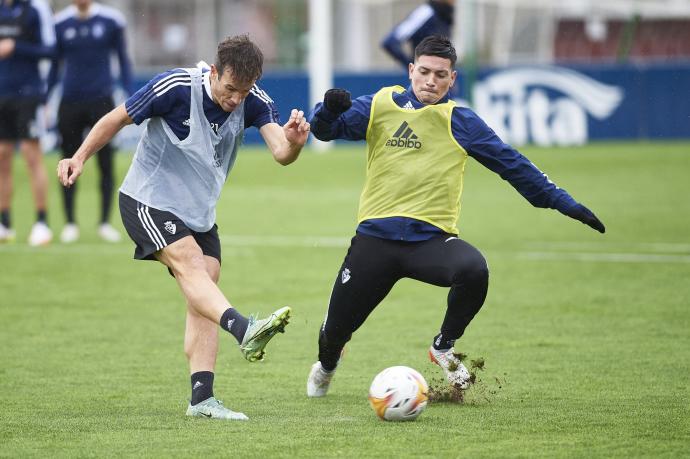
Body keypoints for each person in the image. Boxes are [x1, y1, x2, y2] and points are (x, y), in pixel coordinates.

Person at [305, 36, 605, 397]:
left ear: (452, 79)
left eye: (441, 75)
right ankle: (325, 367)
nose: (431, 81)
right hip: (375, 242)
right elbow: (324, 131)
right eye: (425, 72)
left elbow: (514, 166)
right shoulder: (380, 104)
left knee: (474, 269)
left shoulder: (461, 121)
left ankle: (443, 346)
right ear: (411, 70)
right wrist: (328, 111)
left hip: (430, 242)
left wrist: (564, 202)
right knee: (335, 332)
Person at [57, 35, 311, 419]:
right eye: (230, 89)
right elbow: (116, 118)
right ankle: (245, 330)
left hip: (198, 213)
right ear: (213, 72)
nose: (236, 99)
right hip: (148, 200)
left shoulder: (254, 99)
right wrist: (78, 157)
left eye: (243, 91)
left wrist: (294, 143)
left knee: (204, 291)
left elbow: (281, 153)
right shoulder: (174, 88)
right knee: (192, 265)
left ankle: (202, 399)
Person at [48, 0, 133, 243]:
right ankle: (70, 223)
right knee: (67, 159)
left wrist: (129, 92)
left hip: (102, 101)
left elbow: (123, 59)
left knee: (106, 162)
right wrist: (45, 99)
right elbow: (55, 65)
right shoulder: (60, 23)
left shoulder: (111, 21)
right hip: (70, 101)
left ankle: (105, 223)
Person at [0, 0, 55, 245]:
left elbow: (51, 50)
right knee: (2, 155)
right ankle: (4, 223)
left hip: (28, 93)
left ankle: (42, 222)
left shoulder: (36, 9)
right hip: (2, 94)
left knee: (32, 156)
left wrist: (16, 47)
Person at [381, 0, 454, 69]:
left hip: (443, 79)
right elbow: (390, 42)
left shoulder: (444, 16)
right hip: (424, 81)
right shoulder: (425, 13)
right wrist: (414, 67)